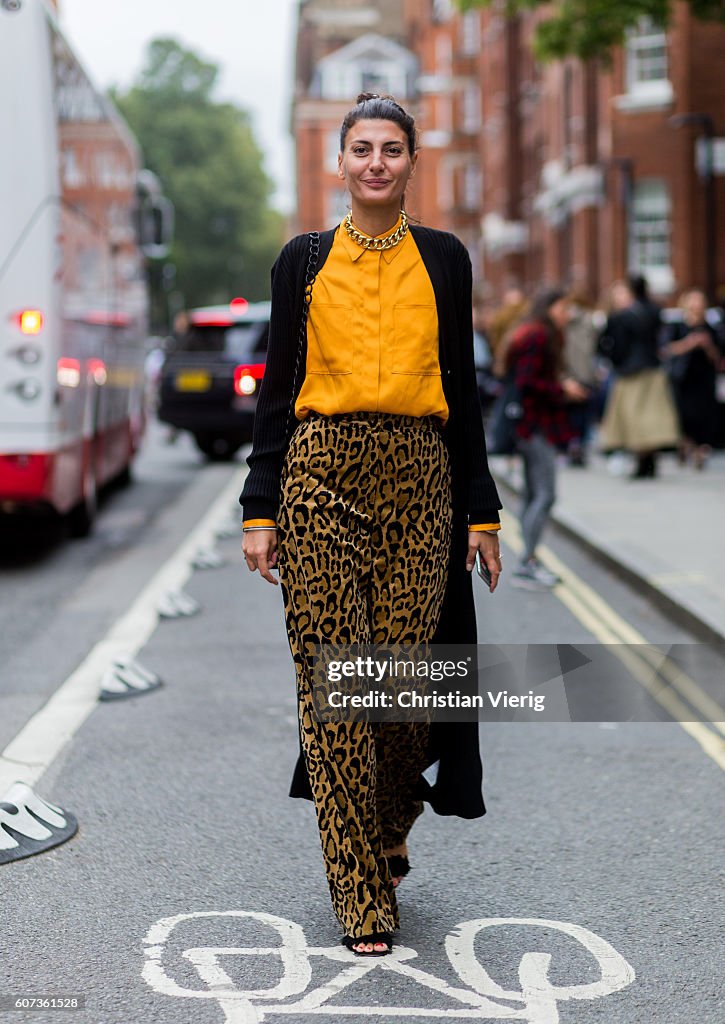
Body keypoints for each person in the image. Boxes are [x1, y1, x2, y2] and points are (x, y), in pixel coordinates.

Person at [240, 94, 502, 957]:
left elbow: (462, 393)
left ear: (411, 162)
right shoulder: (304, 261)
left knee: (399, 693)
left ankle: (389, 820)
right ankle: (358, 889)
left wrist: (482, 509)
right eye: (362, 149)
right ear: (340, 162)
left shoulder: (445, 259)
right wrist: (260, 507)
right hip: (319, 477)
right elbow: (278, 389)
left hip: (420, 484)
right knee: (334, 695)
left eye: (392, 149)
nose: (376, 163)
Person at [505, 289, 589, 589]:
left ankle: (527, 561)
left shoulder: (533, 332)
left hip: (529, 427)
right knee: (545, 494)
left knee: (532, 494)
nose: (567, 314)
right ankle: (526, 563)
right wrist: (562, 389)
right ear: (549, 308)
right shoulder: (539, 336)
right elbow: (527, 382)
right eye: (563, 307)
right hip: (535, 427)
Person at [598, 276, 679, 478]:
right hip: (652, 369)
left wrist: (617, 362)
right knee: (650, 419)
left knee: (634, 420)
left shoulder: (619, 317)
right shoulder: (655, 311)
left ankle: (643, 462)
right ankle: (648, 461)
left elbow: (610, 348)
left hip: (630, 373)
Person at [662, 288, 723, 469]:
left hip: (704, 378)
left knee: (704, 414)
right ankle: (685, 443)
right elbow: (667, 350)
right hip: (682, 377)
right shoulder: (677, 326)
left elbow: (718, 357)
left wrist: (707, 345)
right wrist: (689, 343)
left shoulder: (712, 329)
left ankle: (699, 451)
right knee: (683, 414)